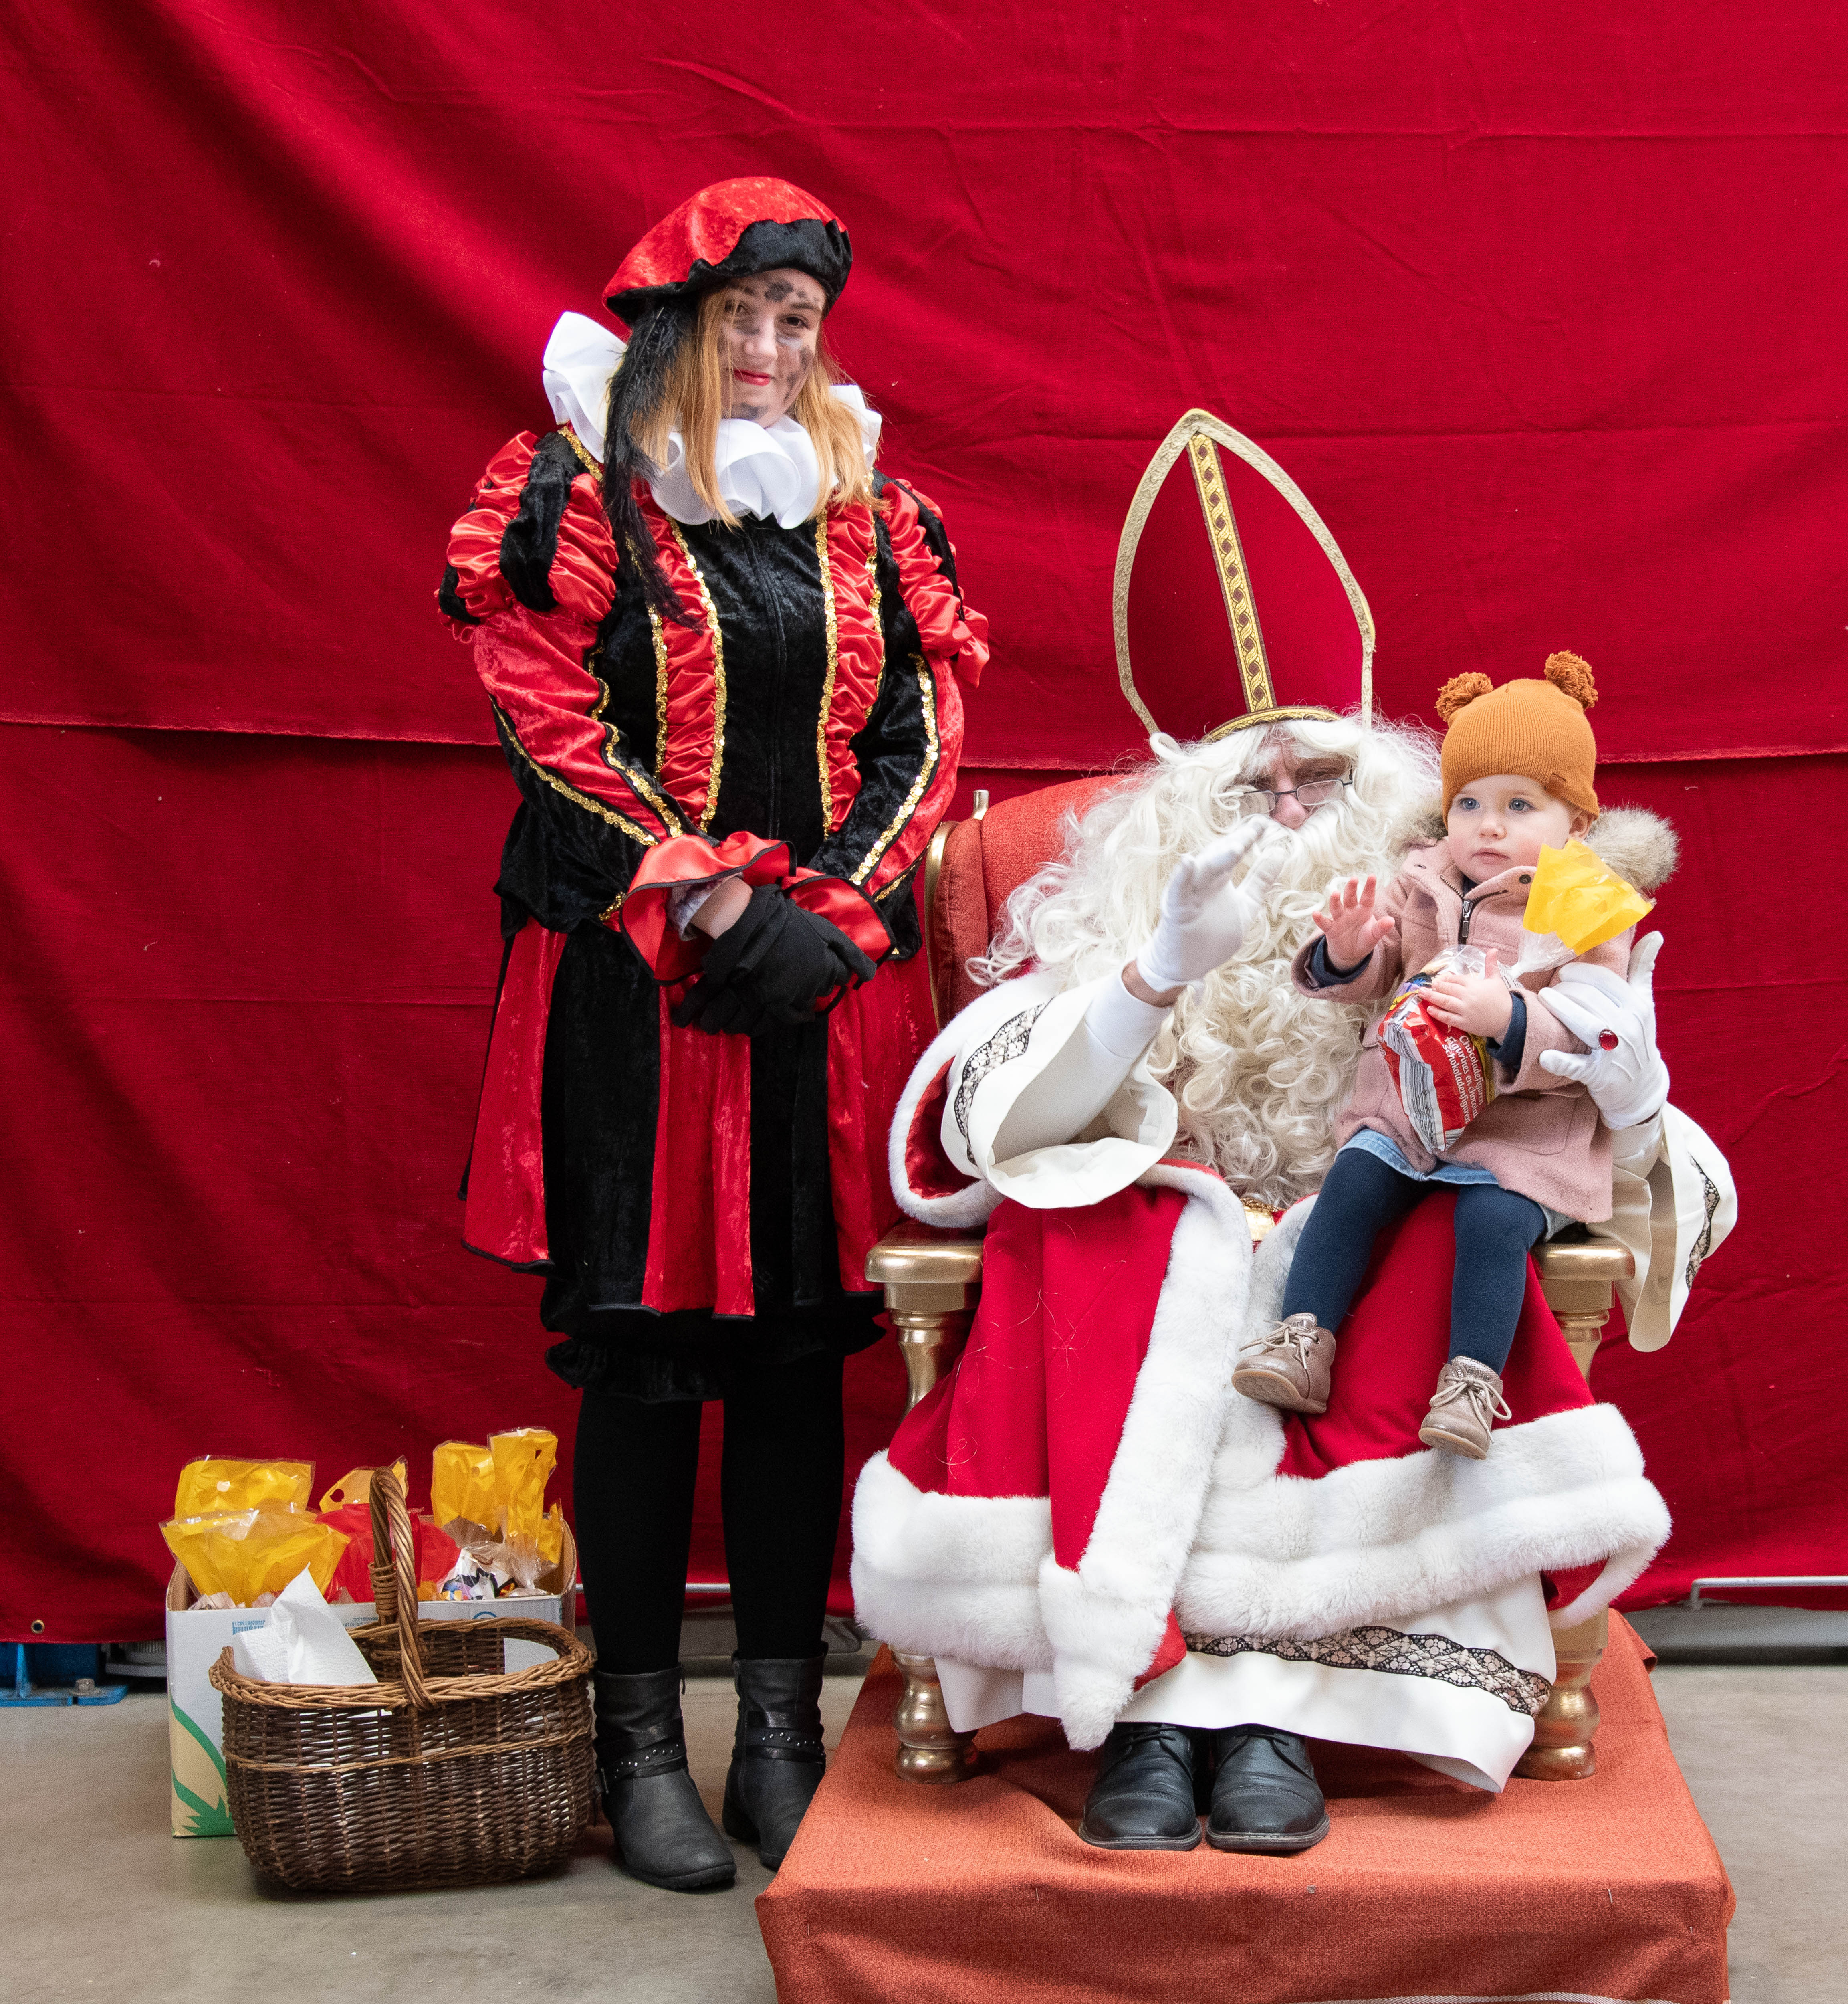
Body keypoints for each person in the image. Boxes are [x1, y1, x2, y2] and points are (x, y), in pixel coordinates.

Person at [852, 411, 1716, 1857]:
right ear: (1173, 819)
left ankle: (1272, 1718)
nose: (1292, 814)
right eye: (1254, 793)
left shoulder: (1509, 917)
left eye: (1322, 783)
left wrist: (1557, 1048)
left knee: (1416, 1252)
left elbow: (1635, 1125)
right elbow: (1000, 1130)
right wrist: (1155, 974)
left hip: (1385, 1222)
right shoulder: (1117, 924)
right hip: (1161, 1236)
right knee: (1117, 1273)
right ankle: (1156, 1716)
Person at [438, 177, 987, 1889]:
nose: (767, 348)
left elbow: (923, 730)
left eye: (794, 321)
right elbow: (549, 720)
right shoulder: (574, 489)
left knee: (794, 1360)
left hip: (812, 980)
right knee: (647, 1359)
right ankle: (635, 1748)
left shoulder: (872, 506)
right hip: (639, 977)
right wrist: (707, 899)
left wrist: (835, 911)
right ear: (676, 326)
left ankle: (777, 1736)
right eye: (740, 315)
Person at [1238, 654, 1678, 1461]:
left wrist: (1509, 1017)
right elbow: (1386, 974)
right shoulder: (1425, 877)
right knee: (1354, 1179)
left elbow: (1595, 1033)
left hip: (1523, 1132)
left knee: (1493, 1221)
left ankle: (1471, 1381)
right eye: (1469, 803)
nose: (1488, 826)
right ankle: (1302, 1338)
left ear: (1575, 824)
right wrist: (1347, 953)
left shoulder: (1587, 907)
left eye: (1519, 805)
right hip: (1408, 1109)